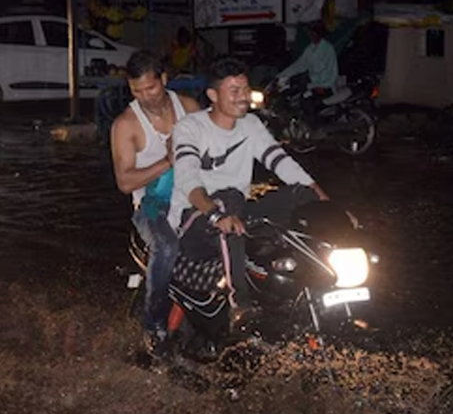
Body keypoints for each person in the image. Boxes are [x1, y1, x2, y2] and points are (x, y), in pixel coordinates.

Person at [169, 56, 329, 332]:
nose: (243, 97)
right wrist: (215, 214)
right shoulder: (190, 127)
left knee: (299, 195)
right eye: (234, 91)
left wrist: (327, 204)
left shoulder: (251, 125)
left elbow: (281, 162)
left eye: (245, 90)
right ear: (213, 95)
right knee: (230, 197)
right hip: (195, 219)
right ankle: (238, 303)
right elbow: (187, 178)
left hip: (236, 210)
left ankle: (320, 284)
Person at [110, 50, 202, 356]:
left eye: (151, 88)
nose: (146, 97)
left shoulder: (188, 107)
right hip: (152, 207)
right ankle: (154, 325)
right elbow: (124, 183)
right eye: (137, 91)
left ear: (164, 79)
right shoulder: (126, 125)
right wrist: (167, 160)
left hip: (193, 197)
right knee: (167, 247)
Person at [276, 19, 338, 97]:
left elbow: (332, 74)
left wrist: (321, 86)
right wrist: (281, 76)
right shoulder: (310, 49)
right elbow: (299, 66)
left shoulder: (328, 49)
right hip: (312, 87)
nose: (310, 35)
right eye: (309, 33)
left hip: (326, 89)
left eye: (312, 33)